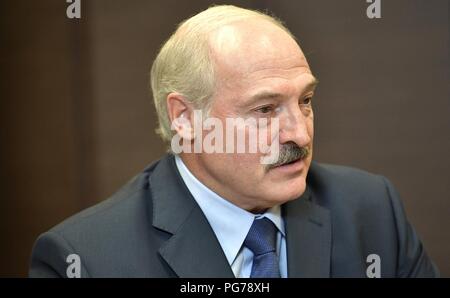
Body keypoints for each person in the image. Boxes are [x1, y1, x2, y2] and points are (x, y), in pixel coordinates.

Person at [29, 5, 439, 278]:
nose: (299, 133)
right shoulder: (86, 258)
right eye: (264, 110)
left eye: (306, 101)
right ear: (185, 119)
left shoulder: (371, 211)